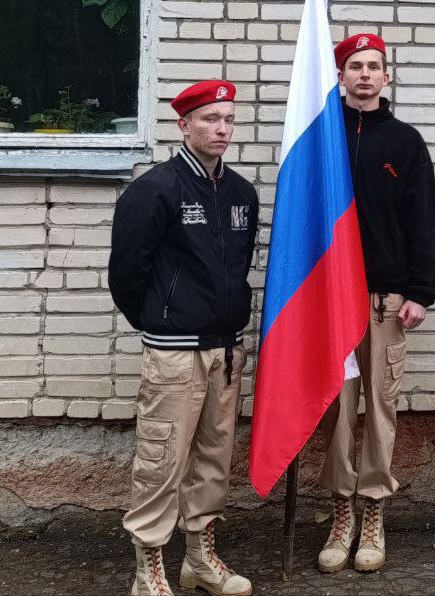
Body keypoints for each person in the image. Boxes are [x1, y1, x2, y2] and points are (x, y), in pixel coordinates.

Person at [109, 80, 259, 596]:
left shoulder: (242, 193)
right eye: (209, 119)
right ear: (184, 124)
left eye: (228, 120)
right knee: (162, 459)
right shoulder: (155, 189)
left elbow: (241, 265)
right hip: (175, 353)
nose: (221, 129)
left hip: (227, 350)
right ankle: (147, 570)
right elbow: (127, 274)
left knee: (214, 461)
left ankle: (200, 560)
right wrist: (162, 319)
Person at [317, 32, 435, 574]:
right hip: (329, 302)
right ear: (341, 76)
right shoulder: (321, 140)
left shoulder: (406, 142)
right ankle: (340, 510)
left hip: (383, 302)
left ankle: (373, 510)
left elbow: (423, 222)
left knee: (380, 409)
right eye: (354, 66)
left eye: (374, 66)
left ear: (386, 77)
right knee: (338, 409)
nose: (364, 74)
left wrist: (420, 292)